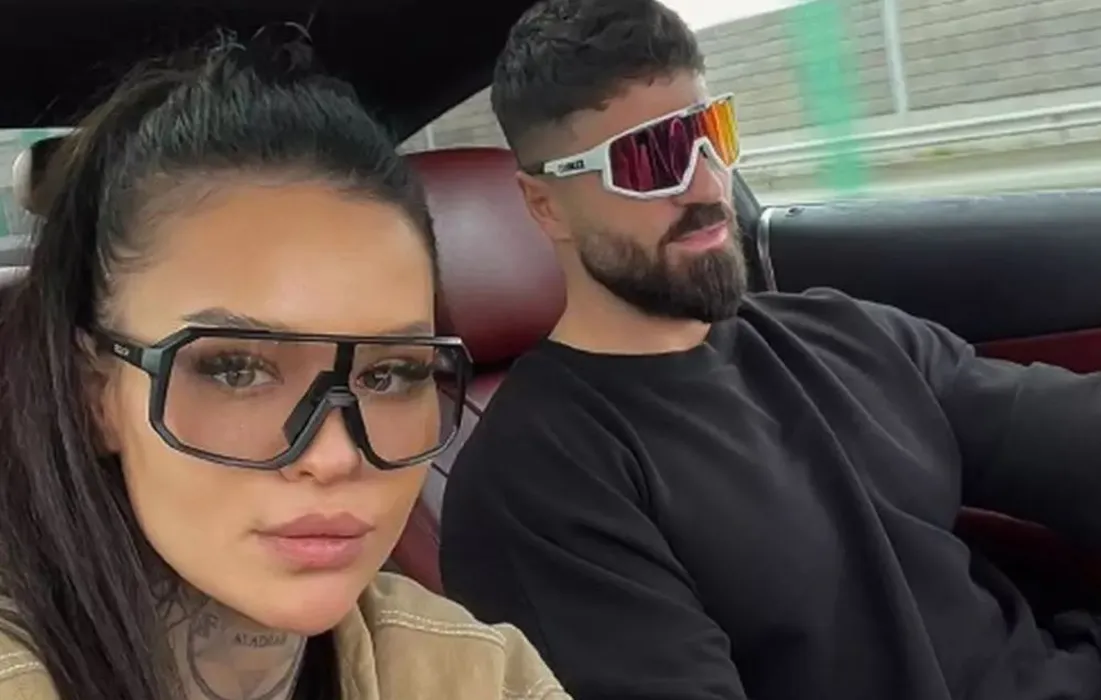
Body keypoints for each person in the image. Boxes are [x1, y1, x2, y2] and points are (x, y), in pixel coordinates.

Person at [438, 1, 1101, 699]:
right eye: (649, 159)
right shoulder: (541, 482)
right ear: (545, 205)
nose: (705, 184)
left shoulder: (840, 333)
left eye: (709, 134)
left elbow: (1068, 434)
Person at [0, 30, 568, 700]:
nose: (334, 457)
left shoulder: (478, 672)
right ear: (97, 395)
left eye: (388, 374)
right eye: (236, 369)